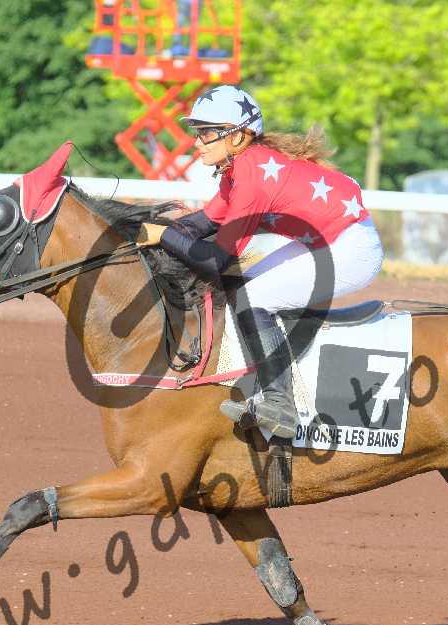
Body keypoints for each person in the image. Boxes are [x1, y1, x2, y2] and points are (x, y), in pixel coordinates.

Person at [136, 85, 385, 438]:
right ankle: (272, 373)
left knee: (251, 297)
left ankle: (279, 404)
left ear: (237, 136)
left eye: (206, 133)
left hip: (351, 249)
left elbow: (218, 261)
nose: (197, 143)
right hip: (325, 238)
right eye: (197, 133)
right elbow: (203, 223)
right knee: (249, 283)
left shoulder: (251, 174)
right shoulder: (240, 166)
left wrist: (164, 236)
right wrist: (145, 229)